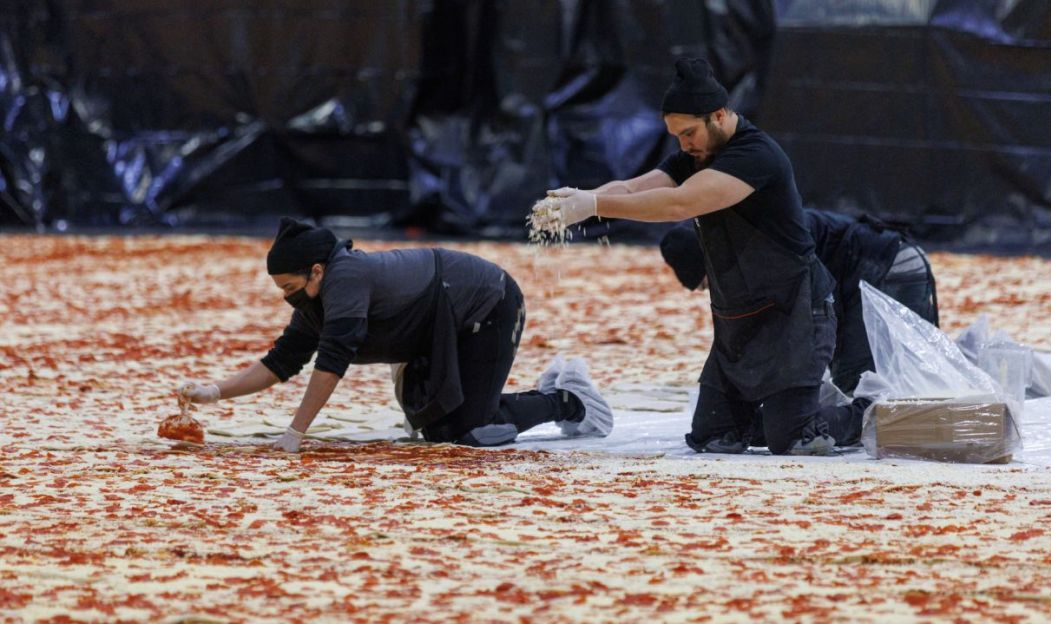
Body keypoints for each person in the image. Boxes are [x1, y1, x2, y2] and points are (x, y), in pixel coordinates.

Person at [532, 57, 855, 456]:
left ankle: (861, 411)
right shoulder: (697, 155)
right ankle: (783, 410)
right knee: (713, 437)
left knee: (795, 439)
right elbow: (635, 190)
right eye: (676, 136)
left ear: (718, 116)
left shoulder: (756, 155)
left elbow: (678, 204)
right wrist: (578, 199)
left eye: (688, 133)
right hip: (739, 317)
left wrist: (595, 205)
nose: (683, 145)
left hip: (795, 311)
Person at [177, 217, 612, 452]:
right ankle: (541, 397)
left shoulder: (344, 278)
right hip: (437, 328)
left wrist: (296, 432)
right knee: (438, 428)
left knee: (473, 431)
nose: (288, 300)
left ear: (316, 270)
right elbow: (282, 362)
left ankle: (568, 401)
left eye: (290, 288)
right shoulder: (313, 298)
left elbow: (332, 362)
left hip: (489, 306)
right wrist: (213, 392)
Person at [661, 208, 939, 395]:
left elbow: (799, 313)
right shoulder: (743, 233)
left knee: (862, 382)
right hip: (882, 265)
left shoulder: (758, 247)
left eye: (709, 283)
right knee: (870, 376)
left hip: (888, 267)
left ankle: (918, 428)